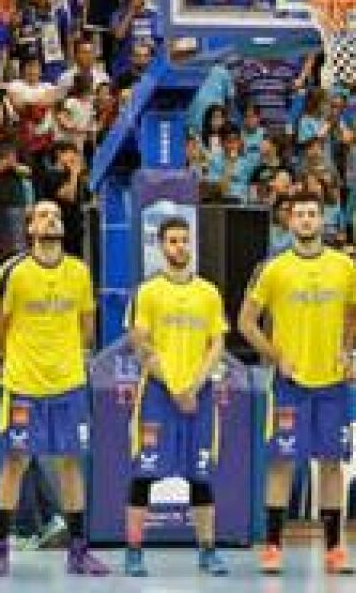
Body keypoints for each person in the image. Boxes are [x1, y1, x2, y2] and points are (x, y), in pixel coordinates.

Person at [238, 189, 356, 576]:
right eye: (300, 214)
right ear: (289, 222)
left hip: (332, 383)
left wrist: (347, 350)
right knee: (281, 463)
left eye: (313, 213)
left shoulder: (344, 267)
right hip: (290, 383)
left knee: (331, 465)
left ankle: (334, 549)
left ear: (323, 220)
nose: (307, 220)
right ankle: (274, 547)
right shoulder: (274, 269)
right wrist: (277, 357)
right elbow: (245, 322)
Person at [0, 200, 110, 577]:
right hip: (24, 384)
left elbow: (87, 327)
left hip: (68, 384)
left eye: (55, 215)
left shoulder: (79, 273)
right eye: (42, 215)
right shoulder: (13, 273)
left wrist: (66, 358)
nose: (51, 219)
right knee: (14, 463)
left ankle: (78, 550)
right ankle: (0, 547)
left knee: (72, 464)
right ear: (30, 228)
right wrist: (18, 361)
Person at [122, 218, 231, 577]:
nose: (180, 247)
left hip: (198, 396)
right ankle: (134, 551)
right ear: (160, 246)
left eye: (185, 240)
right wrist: (172, 385)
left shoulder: (209, 293)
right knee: (144, 475)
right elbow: (141, 344)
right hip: (156, 394)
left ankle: (208, 551)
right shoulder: (148, 292)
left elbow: (217, 345)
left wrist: (194, 386)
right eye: (173, 241)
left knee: (201, 476)